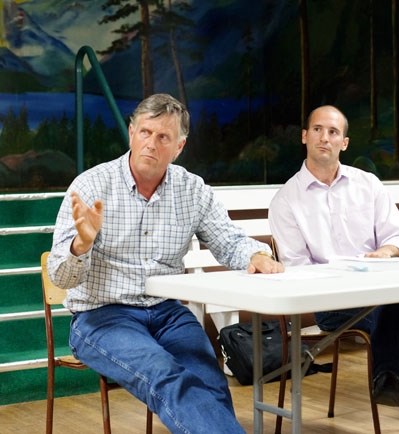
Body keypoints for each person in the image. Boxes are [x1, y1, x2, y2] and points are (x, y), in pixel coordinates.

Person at [47, 93, 284, 433]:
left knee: (210, 382)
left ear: (179, 147)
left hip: (168, 313)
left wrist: (256, 255)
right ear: (131, 133)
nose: (151, 144)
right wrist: (81, 244)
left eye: (163, 137)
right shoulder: (91, 185)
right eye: (145, 132)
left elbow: (228, 239)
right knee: (165, 373)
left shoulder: (193, 190)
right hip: (101, 316)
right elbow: (61, 275)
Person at [269, 105, 399, 434]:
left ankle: (390, 377)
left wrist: (384, 253)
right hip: (330, 301)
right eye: (317, 129)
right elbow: (297, 270)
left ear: (344, 143)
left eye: (333, 132)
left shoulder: (368, 185)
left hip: (380, 290)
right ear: (304, 137)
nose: (324, 138)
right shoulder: (286, 200)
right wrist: (345, 276)